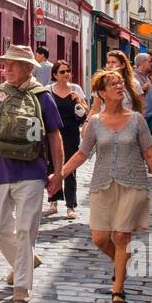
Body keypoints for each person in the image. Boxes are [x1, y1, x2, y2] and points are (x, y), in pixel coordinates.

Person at [61, 69, 152, 303]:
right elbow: (82, 153)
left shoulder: (137, 120)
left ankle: (118, 289)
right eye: (113, 84)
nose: (119, 87)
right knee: (100, 238)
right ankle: (122, 261)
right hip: (102, 185)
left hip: (133, 184)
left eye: (120, 83)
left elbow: (149, 154)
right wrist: (60, 174)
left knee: (122, 236)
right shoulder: (95, 124)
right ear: (101, 92)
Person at [0, 45, 63, 303]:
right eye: (5, 65)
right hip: (0, 170)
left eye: (13, 65)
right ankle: (26, 259)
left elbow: (54, 136)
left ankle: (22, 285)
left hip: (32, 170)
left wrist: (59, 172)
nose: (6, 70)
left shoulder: (43, 97)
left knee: (25, 229)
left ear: (28, 68)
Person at [45, 60, 88, 220]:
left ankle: (70, 206)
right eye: (62, 72)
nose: (66, 74)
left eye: (68, 71)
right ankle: (53, 202)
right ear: (55, 74)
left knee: (70, 168)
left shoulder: (76, 89)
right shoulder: (48, 90)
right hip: (53, 133)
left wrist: (79, 100)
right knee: (53, 167)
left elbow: (85, 111)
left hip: (70, 133)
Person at [134, 52, 152, 140]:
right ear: (143, 63)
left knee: (150, 142)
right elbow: (132, 95)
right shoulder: (134, 77)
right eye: (149, 61)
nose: (151, 63)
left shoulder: (147, 76)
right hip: (142, 115)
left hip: (151, 114)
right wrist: (142, 89)